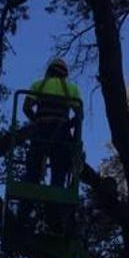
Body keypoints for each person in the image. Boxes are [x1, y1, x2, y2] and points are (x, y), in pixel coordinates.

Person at [18, 57, 82, 232]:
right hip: (61, 135)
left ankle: (22, 216)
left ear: (49, 70)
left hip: (40, 133)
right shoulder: (72, 89)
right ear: (65, 73)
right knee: (59, 174)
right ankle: (55, 218)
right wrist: (71, 130)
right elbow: (79, 115)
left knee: (32, 172)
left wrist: (36, 121)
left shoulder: (38, 85)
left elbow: (26, 107)